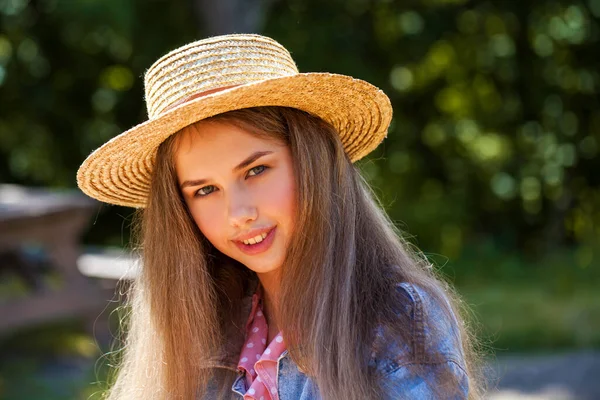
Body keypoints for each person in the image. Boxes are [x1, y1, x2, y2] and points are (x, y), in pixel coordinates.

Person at [77, 34, 483, 399]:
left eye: (256, 170)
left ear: (311, 162)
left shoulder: (394, 319)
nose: (239, 214)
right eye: (204, 190)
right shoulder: (199, 333)